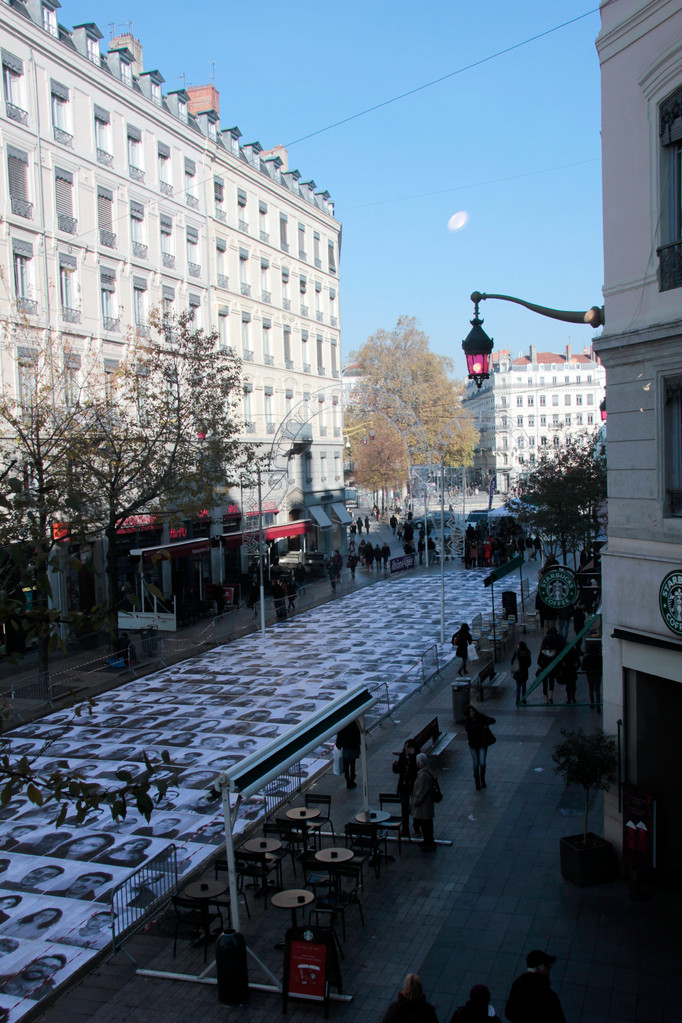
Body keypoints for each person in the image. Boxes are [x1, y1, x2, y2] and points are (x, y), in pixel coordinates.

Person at [505, 949, 566, 1023]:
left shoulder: (517, 984)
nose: (550, 967)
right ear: (538, 969)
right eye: (547, 965)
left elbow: (509, 1013)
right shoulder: (548, 996)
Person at [0, 953, 67, 1000]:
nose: (42, 969)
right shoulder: (3, 979)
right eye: (41, 964)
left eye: (52, 967)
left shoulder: (47, 992)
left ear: (54, 972)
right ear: (30, 964)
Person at [464, 705, 496, 790]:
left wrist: (486, 723)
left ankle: (482, 779)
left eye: (473, 711)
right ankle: (477, 782)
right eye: (470, 712)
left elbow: (492, 720)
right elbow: (469, 729)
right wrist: (480, 725)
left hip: (482, 743)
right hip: (473, 745)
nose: (472, 713)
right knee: (476, 763)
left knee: (482, 763)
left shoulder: (480, 716)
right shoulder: (467, 722)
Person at [410, 753, 436, 851]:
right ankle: (427, 842)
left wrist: (415, 802)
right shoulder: (426, 773)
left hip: (424, 806)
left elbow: (421, 791)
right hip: (426, 805)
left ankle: (428, 843)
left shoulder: (423, 775)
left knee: (426, 826)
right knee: (427, 826)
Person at [393, 738, 419, 837]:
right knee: (404, 808)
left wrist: (412, 757)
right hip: (404, 786)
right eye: (405, 747)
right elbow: (398, 770)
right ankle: (405, 828)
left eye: (408, 747)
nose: (406, 749)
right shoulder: (402, 756)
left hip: (413, 786)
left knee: (415, 807)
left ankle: (416, 827)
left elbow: (417, 769)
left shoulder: (416, 757)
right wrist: (395, 766)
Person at [536, 626, 566, 704]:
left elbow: (538, 661)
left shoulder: (543, 650)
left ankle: (545, 699)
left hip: (544, 669)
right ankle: (551, 697)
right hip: (553, 668)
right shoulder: (559, 640)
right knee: (551, 682)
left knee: (544, 684)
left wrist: (542, 666)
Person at [336, 719, 361, 789]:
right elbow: (358, 735)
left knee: (346, 766)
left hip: (345, 748)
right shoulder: (355, 724)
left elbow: (339, 736)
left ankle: (348, 780)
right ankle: (352, 780)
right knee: (352, 765)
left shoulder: (342, 725)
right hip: (353, 747)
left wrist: (338, 745)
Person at [511, 640, 532, 705]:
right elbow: (529, 663)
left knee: (518, 686)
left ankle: (518, 699)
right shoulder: (528, 653)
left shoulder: (517, 652)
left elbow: (512, 661)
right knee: (524, 686)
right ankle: (524, 698)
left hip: (518, 671)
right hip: (525, 672)